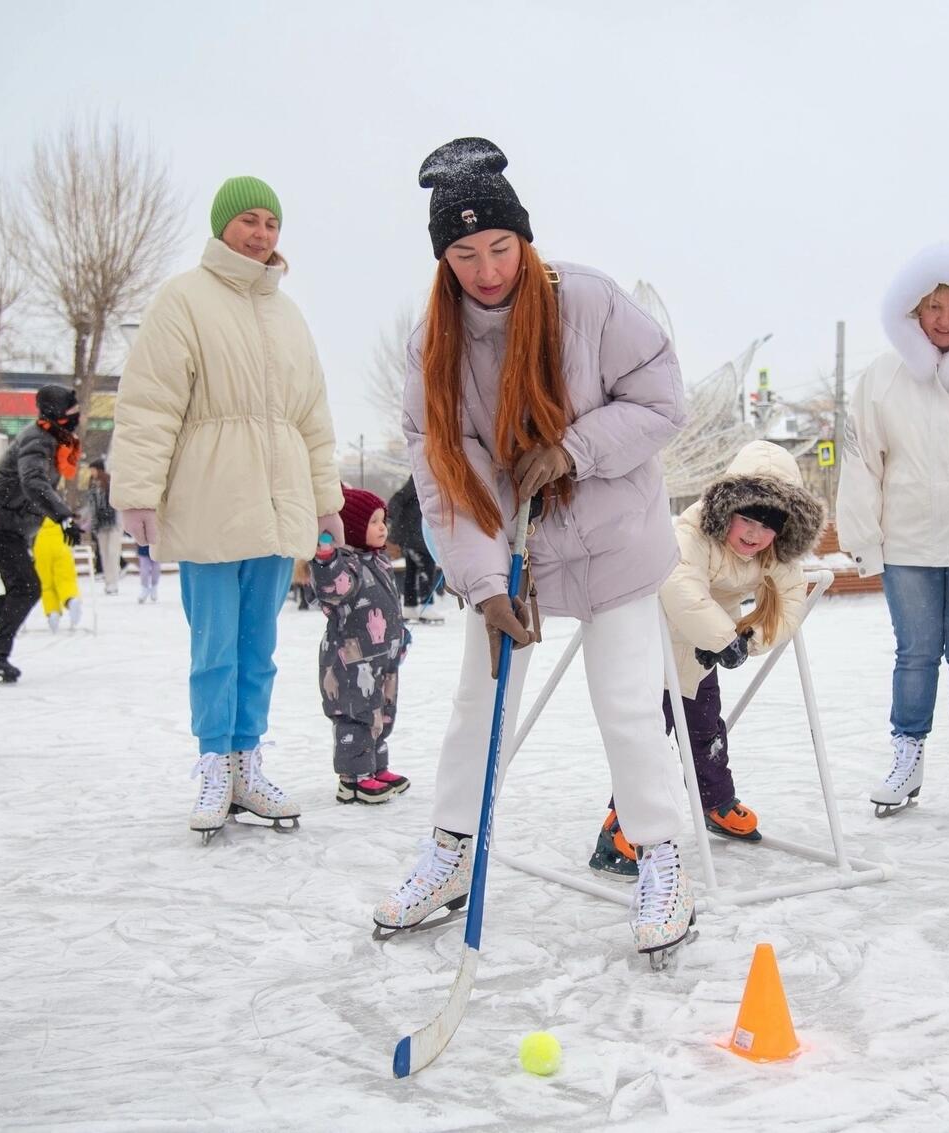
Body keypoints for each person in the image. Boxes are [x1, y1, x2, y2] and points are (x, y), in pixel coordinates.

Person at [374, 137, 694, 962]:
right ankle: (451, 852)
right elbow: (449, 473)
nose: (486, 270)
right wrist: (485, 584)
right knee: (477, 702)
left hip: (617, 542)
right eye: (465, 254)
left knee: (627, 704)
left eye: (500, 247)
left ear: (524, 239)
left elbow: (663, 400)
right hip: (517, 553)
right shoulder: (434, 345)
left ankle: (661, 855)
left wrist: (574, 449)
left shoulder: (586, 300)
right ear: (443, 260)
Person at [112, 175, 344, 842]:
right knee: (214, 644)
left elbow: (313, 418)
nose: (261, 234)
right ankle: (215, 762)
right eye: (248, 220)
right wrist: (137, 491)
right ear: (222, 226)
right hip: (211, 498)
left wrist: (326, 500)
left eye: (271, 223)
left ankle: (248, 762)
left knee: (258, 646)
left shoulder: (288, 314)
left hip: (278, 501)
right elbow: (150, 402)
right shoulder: (183, 299)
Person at [837, 242, 949, 816]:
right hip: (909, 542)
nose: (944, 320)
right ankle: (907, 757)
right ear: (913, 309)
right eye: (933, 307)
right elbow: (862, 463)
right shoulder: (882, 377)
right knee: (915, 654)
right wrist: (864, 539)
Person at [590, 440, 824, 878]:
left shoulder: (774, 553)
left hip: (700, 657)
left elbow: (790, 600)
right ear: (727, 509)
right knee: (648, 740)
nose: (754, 535)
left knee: (706, 731)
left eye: (768, 526)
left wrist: (747, 641)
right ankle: (621, 824)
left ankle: (715, 801)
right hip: (654, 648)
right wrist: (720, 637)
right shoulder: (691, 532)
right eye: (747, 519)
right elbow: (680, 585)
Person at [0, 385, 83, 682]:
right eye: (72, 412)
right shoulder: (37, 440)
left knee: (23, 590)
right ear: (56, 413)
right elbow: (33, 481)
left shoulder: (52, 439)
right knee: (26, 588)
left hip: (11, 524)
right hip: (0, 521)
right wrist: (63, 516)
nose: (77, 417)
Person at [312, 487, 412, 804]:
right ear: (353, 528)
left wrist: (400, 636)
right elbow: (334, 589)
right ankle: (353, 778)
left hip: (382, 658)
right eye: (374, 522)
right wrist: (326, 559)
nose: (383, 528)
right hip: (351, 660)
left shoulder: (378, 561)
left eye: (383, 521)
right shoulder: (347, 565)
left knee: (382, 712)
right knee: (356, 715)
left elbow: (388, 605)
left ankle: (376, 767)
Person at [386, 474, 442, 622]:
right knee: (426, 568)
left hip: (413, 535)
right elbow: (397, 500)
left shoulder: (423, 482)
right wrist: (391, 519)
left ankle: (410, 607)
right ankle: (425, 607)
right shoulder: (421, 480)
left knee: (412, 571)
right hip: (416, 535)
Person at [34, 517, 83, 632]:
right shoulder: (60, 513)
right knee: (65, 579)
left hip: (41, 543)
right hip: (61, 541)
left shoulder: (35, 513)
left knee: (46, 583)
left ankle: (52, 612)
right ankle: (70, 599)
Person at [85, 459, 121, 595]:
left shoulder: (110, 482)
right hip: (100, 524)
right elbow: (91, 506)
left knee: (113, 552)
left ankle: (114, 582)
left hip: (113, 523)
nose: (91, 472)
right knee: (104, 554)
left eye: (93, 469)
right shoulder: (92, 485)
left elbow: (116, 503)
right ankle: (108, 581)